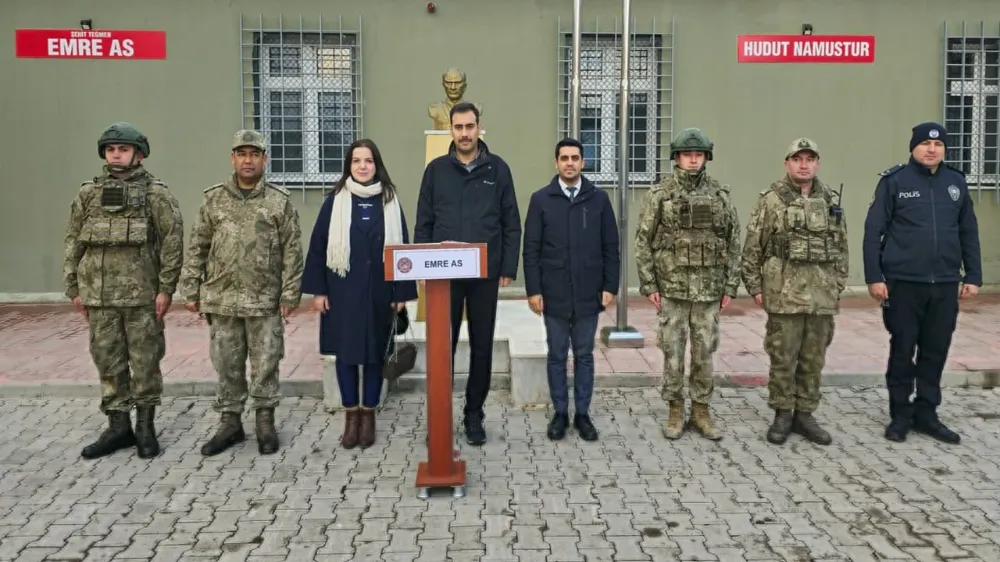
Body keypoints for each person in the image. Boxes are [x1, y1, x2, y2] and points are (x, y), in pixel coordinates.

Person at [63, 122, 184, 460]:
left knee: (145, 362)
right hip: (99, 297)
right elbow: (73, 240)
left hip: (142, 296)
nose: (116, 155)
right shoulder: (88, 193)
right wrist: (73, 286)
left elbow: (173, 242)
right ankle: (119, 427)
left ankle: (145, 427)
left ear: (138, 154)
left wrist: (166, 288)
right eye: (111, 149)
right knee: (108, 361)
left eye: (123, 149)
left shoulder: (156, 194)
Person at [179, 130, 304, 456]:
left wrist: (290, 292)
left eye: (254, 154)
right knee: (227, 362)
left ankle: (265, 420)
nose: (247, 160)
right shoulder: (214, 199)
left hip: (264, 300)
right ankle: (230, 422)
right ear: (232, 159)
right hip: (222, 299)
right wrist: (190, 287)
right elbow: (198, 246)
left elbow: (293, 250)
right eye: (241, 154)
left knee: (266, 362)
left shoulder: (279, 201)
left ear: (265, 159)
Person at [863, 121, 981, 445]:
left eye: (938, 145)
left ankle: (927, 412)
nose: (932, 150)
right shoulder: (894, 181)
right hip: (903, 284)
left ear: (944, 149)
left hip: (944, 283)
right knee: (903, 349)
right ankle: (900, 415)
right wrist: (875, 276)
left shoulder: (955, 182)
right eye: (926, 144)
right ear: (913, 147)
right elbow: (873, 232)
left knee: (935, 350)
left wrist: (973, 275)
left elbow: (968, 231)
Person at [413, 102, 522, 445]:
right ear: (451, 130)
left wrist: (507, 267)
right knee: (441, 346)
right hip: (443, 275)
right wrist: (420, 263)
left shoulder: (498, 170)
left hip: (484, 274)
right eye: (458, 127)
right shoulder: (436, 171)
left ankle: (474, 413)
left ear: (479, 127)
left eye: (469, 126)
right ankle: (440, 417)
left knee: (481, 346)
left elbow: (511, 223)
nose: (464, 133)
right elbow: (424, 222)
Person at [301, 139, 418, 449]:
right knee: (346, 356)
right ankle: (350, 417)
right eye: (356, 161)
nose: (363, 166)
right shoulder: (334, 202)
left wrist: (401, 292)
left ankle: (369, 417)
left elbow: (402, 250)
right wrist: (319, 290)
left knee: (375, 355)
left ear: (376, 164)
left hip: (380, 293)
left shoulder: (390, 202)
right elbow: (318, 247)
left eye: (368, 161)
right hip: (342, 292)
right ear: (348, 166)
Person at [634, 128, 741, 441]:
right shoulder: (660, 195)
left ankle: (702, 410)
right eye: (687, 154)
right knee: (673, 351)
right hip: (674, 289)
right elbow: (644, 241)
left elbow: (733, 241)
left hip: (708, 290)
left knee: (705, 350)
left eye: (698, 155)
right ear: (677, 158)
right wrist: (649, 284)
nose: (693, 160)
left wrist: (730, 286)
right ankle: (675, 410)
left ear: (706, 157)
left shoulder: (720, 196)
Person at [741, 138, 847, 446]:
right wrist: (755, 288)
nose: (804, 164)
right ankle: (783, 412)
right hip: (784, 294)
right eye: (797, 159)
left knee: (813, 358)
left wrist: (837, 285)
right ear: (787, 163)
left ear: (817, 163)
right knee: (783, 357)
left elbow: (841, 248)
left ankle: (805, 413)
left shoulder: (831, 199)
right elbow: (753, 247)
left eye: (810, 159)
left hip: (821, 297)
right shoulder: (771, 200)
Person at [522, 138, 620, 442]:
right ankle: (561, 413)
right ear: (555, 163)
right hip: (554, 293)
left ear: (583, 163)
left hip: (589, 293)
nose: (569, 163)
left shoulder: (599, 200)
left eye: (575, 158)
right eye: (563, 158)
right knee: (556, 355)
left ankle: (583, 415)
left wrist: (610, 286)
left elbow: (610, 247)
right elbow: (531, 250)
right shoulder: (541, 200)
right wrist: (533, 290)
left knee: (584, 355)